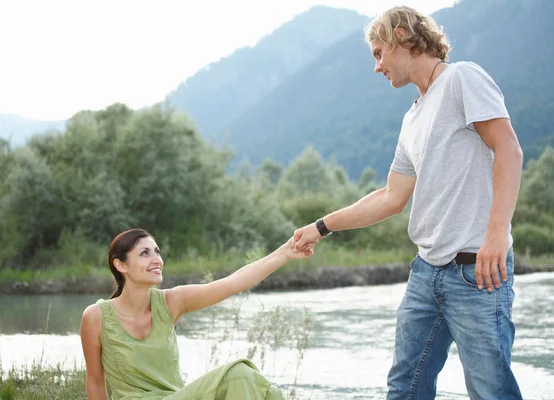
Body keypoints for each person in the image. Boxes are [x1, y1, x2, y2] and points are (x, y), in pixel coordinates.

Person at [292, 5, 524, 400]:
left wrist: (497, 234)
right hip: (425, 274)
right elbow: (390, 197)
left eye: (378, 54)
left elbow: (509, 150)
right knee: (404, 388)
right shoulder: (411, 119)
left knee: (490, 392)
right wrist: (321, 226)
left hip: (477, 270)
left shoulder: (462, 78)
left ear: (401, 35)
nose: (377, 67)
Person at [80, 228, 313, 400]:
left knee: (266, 392)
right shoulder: (96, 317)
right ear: (121, 265)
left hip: (175, 397)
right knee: (239, 374)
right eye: (144, 253)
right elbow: (95, 381)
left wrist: (285, 252)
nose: (156, 260)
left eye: (157, 252)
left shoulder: (171, 302)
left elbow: (232, 283)